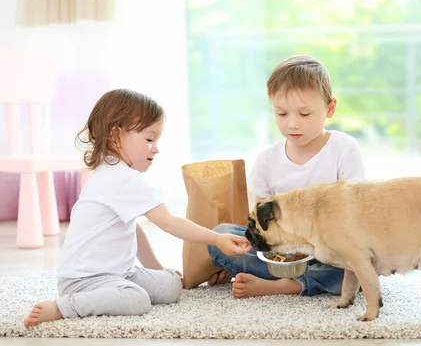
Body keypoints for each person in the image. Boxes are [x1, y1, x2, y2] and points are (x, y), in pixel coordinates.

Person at [24, 89, 251, 327]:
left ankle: (140, 283)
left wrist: (158, 271)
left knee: (172, 285)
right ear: (116, 136)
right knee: (136, 299)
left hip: (119, 272)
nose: (156, 148)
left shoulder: (112, 173)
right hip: (85, 280)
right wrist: (216, 238)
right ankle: (64, 307)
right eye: (149, 139)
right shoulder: (121, 178)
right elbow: (168, 222)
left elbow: (132, 229)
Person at [208, 55, 365, 298]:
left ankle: (285, 285)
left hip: (332, 250)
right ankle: (287, 276)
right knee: (220, 235)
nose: (292, 124)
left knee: (362, 261)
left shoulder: (343, 148)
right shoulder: (267, 160)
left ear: (330, 108)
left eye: (304, 114)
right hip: (283, 250)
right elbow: (262, 223)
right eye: (281, 114)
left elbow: (355, 211)